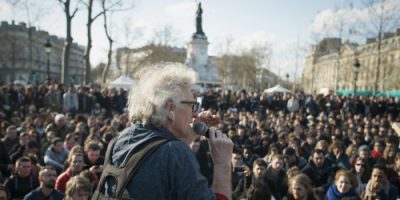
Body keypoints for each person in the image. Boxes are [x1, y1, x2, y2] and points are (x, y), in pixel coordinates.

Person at [99, 63, 233, 199]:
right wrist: (223, 164)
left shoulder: (120, 140)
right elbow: (168, 154)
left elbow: (155, 151)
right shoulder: (175, 152)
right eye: (192, 105)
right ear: (170, 108)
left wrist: (191, 133)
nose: (194, 114)